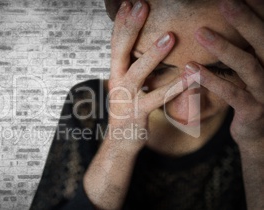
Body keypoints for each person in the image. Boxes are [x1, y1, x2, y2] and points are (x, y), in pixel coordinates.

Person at [30, 0, 264, 209]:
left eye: (225, 69)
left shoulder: (257, 114)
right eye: (157, 69)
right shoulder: (89, 104)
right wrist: (118, 145)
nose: (188, 111)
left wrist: (257, 144)